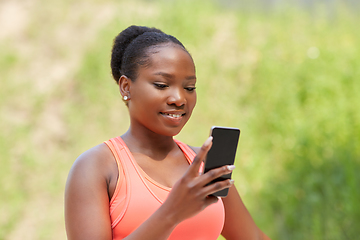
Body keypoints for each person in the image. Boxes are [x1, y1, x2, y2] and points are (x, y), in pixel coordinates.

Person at [65, 25, 271, 240]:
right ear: (126, 87)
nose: (179, 99)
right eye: (162, 85)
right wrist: (172, 212)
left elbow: (253, 237)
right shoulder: (97, 167)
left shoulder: (203, 167)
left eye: (189, 88)